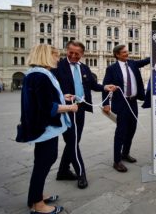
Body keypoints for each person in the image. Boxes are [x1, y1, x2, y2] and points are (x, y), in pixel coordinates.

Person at [16, 44, 78, 214]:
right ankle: (38, 205)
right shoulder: (40, 76)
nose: (58, 59)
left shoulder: (37, 74)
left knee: (42, 162)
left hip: (41, 126)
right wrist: (69, 108)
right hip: (44, 127)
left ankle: (35, 196)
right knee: (44, 162)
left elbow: (43, 98)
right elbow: (46, 106)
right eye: (56, 55)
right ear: (46, 56)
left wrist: (62, 97)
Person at [52, 40, 116, 189]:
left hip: (80, 109)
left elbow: (93, 85)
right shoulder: (57, 67)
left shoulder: (85, 68)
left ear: (82, 54)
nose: (73, 56)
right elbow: (52, 89)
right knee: (73, 141)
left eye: (77, 53)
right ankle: (81, 174)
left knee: (74, 140)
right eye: (71, 52)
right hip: (67, 109)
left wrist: (106, 87)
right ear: (66, 51)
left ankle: (62, 171)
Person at [102, 45, 150, 173]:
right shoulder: (112, 69)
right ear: (117, 54)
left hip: (133, 102)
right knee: (121, 132)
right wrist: (106, 103)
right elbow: (105, 86)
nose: (126, 54)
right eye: (124, 52)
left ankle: (125, 153)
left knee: (132, 129)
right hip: (121, 104)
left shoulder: (133, 64)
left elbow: (145, 61)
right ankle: (117, 161)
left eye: (126, 52)